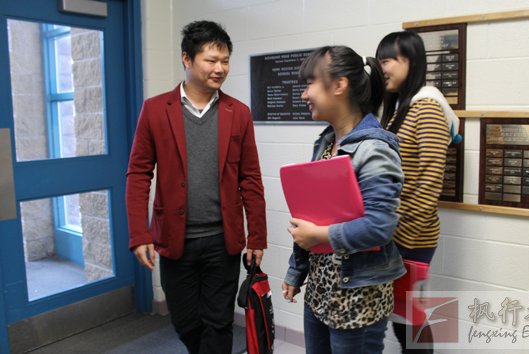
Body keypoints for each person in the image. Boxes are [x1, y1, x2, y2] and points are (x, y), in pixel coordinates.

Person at [125, 20, 267, 354]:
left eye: (225, 61)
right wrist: (139, 234)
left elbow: (251, 178)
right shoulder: (156, 109)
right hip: (176, 240)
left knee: (218, 322)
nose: (220, 69)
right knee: (186, 322)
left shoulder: (239, 113)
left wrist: (257, 236)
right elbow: (138, 174)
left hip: (223, 241)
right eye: (211, 60)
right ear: (187, 60)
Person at [281, 46, 406, 354]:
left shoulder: (375, 149)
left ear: (339, 85)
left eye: (310, 82)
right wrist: (296, 271)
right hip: (321, 291)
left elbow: (380, 226)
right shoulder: (326, 143)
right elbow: (312, 216)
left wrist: (319, 236)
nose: (304, 94)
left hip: (357, 296)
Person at [376, 30, 460, 353]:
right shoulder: (400, 108)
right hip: (393, 232)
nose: (383, 68)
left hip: (411, 235)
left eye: (389, 60)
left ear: (412, 61)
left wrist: (398, 238)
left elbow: (429, 181)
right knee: (401, 316)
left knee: (409, 318)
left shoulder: (426, 107)